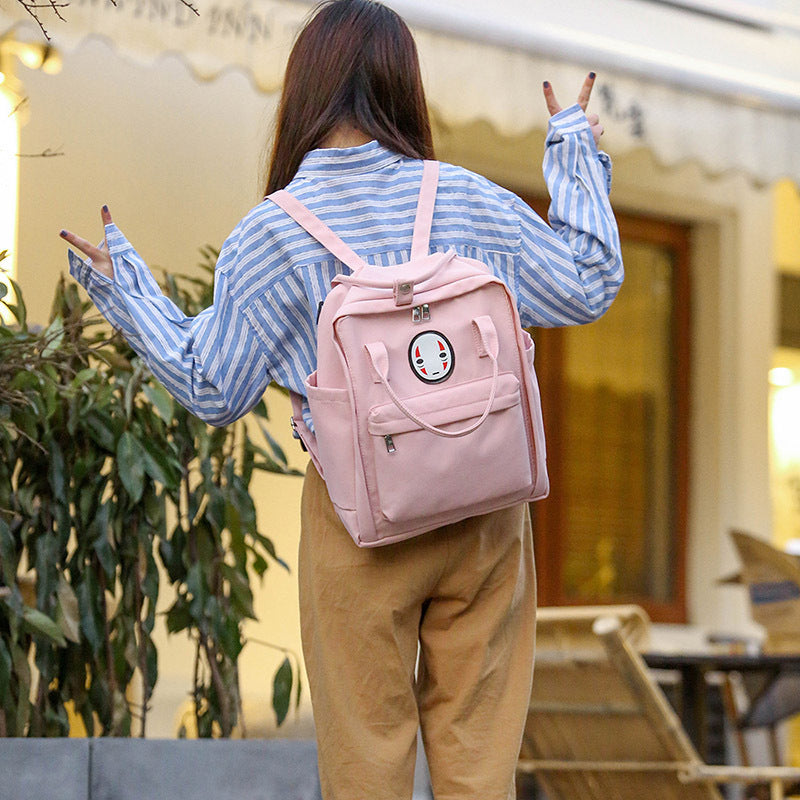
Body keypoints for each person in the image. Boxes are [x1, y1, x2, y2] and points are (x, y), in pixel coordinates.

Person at [60, 1, 623, 797]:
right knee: (479, 765)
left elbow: (213, 387)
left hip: (361, 520)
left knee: (366, 763)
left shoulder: (272, 234)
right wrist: (573, 153)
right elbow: (587, 282)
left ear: (305, 90)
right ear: (404, 86)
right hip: (486, 507)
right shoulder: (464, 196)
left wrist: (130, 296)